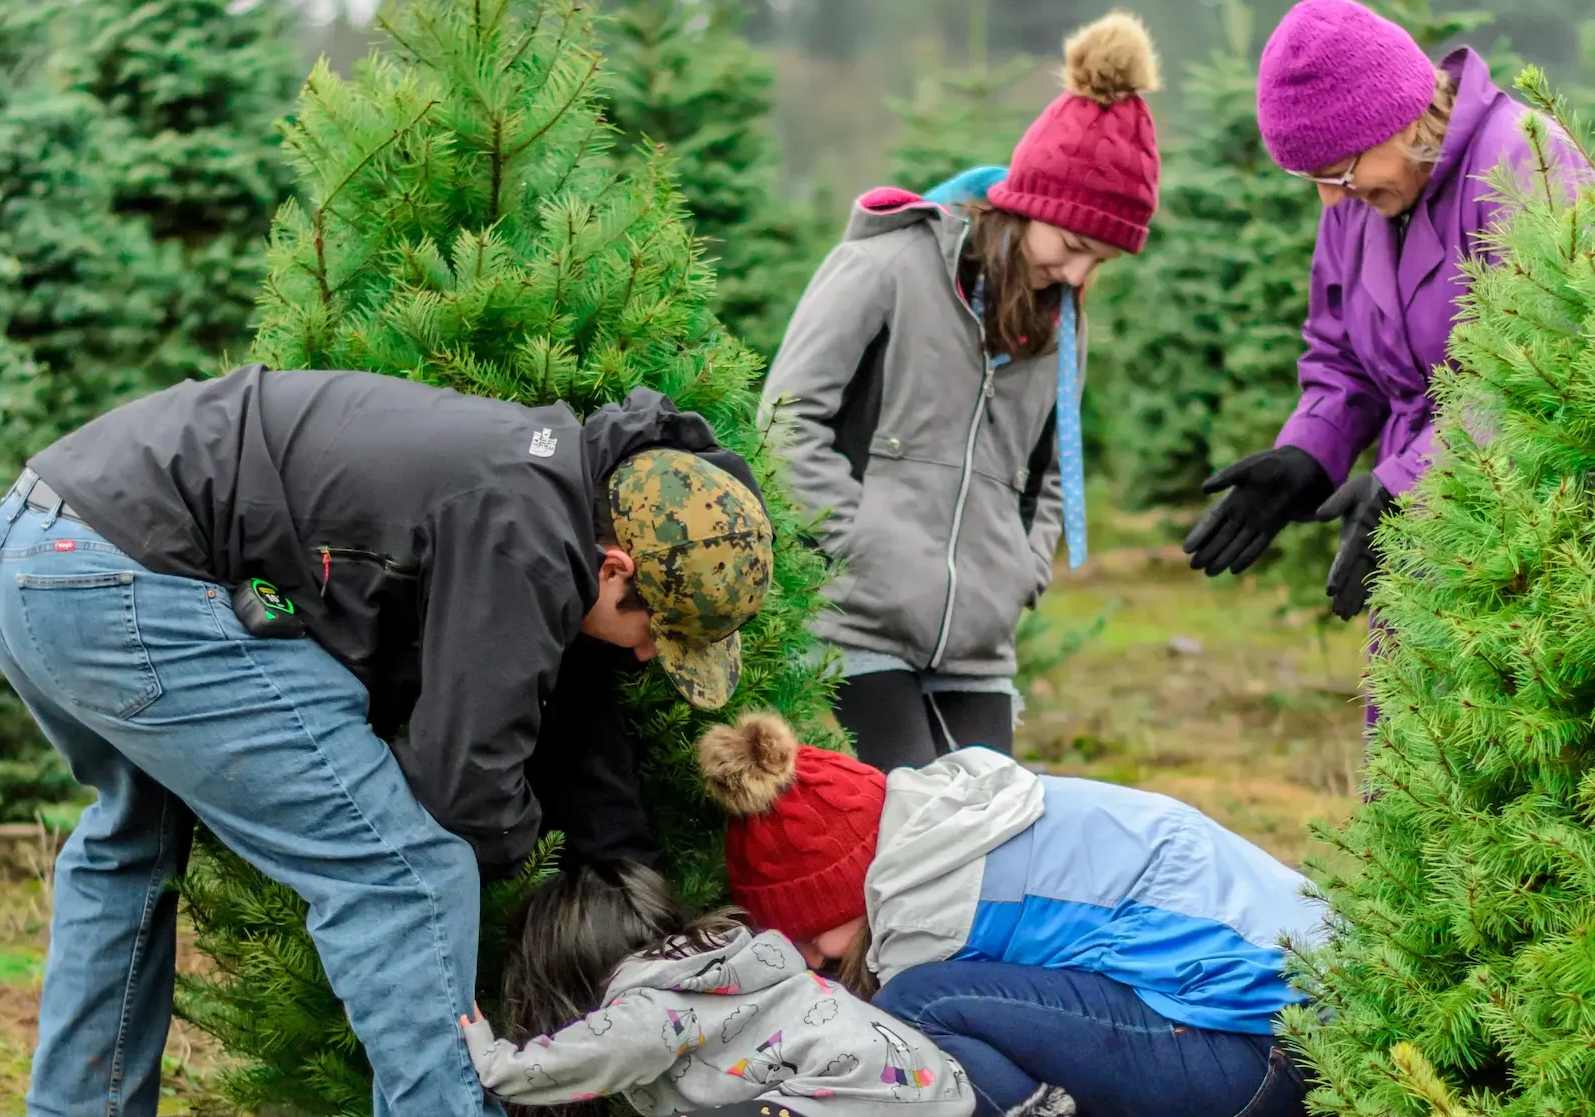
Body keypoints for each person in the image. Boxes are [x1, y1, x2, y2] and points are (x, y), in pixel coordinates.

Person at [0, 364, 772, 1116]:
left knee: (132, 846)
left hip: (40, 547)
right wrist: (536, 867)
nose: (642, 655)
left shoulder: (542, 476)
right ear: (616, 566)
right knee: (409, 875)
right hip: (125, 579)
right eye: (651, 630)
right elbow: (463, 788)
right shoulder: (524, 532)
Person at [762, 11, 1161, 771]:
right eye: (1074, 247)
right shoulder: (888, 266)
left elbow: (1046, 477)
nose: (1079, 276)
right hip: (856, 626)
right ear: (1028, 204)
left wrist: (1018, 572)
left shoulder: (1060, 325)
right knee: (906, 838)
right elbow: (787, 419)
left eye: (1100, 261)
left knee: (987, 847)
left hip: (978, 644)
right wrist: (852, 548)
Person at [1183, 0, 1589, 631]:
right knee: (1415, 728)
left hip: (1536, 539)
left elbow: (1544, 369)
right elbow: (1342, 355)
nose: (1328, 196)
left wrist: (1410, 481)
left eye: (1337, 170)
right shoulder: (1357, 200)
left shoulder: (1525, 165)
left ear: (1400, 120)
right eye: (1310, 176)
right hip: (1417, 540)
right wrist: (1310, 451)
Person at [693, 713, 1323, 1117]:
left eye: (802, 932)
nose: (808, 956)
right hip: (1311, 1021)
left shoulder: (931, 908)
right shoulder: (960, 820)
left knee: (908, 1014)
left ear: (839, 892)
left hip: (1259, 1050)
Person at [458, 861, 1001, 1117]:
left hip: (854, 1098)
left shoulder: (650, 1006)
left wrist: (493, 1060)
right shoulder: (726, 964)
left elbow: (593, 1054)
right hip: (932, 1088)